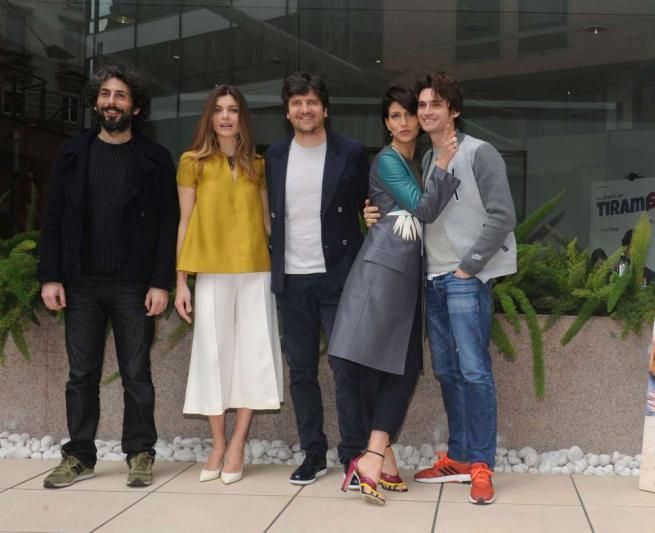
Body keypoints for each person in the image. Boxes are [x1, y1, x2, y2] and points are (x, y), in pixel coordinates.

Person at [365, 73, 517, 505]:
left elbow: (503, 215)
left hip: (463, 278)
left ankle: (482, 463)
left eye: (436, 104)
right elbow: (417, 210)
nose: (426, 112)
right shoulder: (429, 158)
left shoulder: (479, 152)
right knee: (448, 372)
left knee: (474, 371)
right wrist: (372, 214)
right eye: (422, 105)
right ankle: (461, 457)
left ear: (454, 110)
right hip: (432, 279)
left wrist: (470, 267)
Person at [38, 64, 179, 488]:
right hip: (80, 282)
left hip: (133, 284)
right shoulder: (71, 153)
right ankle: (79, 456)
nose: (111, 102)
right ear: (95, 102)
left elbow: (167, 225)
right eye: (104, 94)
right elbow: (53, 218)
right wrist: (51, 276)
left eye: (120, 95)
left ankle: (140, 453)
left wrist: (161, 282)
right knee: (81, 374)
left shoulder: (155, 159)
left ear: (135, 107)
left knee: (136, 373)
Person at [331, 86, 459, 505]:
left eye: (409, 114)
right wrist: (445, 162)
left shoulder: (412, 161)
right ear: (386, 124)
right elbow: (424, 208)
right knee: (397, 366)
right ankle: (372, 456)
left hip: (403, 276)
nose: (404, 122)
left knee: (396, 366)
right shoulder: (389, 160)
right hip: (384, 274)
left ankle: (382, 457)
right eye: (395, 116)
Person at [175, 85, 283, 485]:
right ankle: (218, 443)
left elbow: (268, 223)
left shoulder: (258, 165)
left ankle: (238, 442)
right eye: (218, 110)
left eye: (233, 110)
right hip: (212, 271)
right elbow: (185, 222)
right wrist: (181, 281)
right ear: (210, 117)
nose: (225, 116)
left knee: (254, 354)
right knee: (212, 355)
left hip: (256, 271)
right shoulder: (191, 163)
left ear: (242, 117)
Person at [266, 71, 368, 486]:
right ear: (287, 111)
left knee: (345, 368)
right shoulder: (275, 156)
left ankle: (353, 455)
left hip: (338, 276)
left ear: (325, 109)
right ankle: (313, 452)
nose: (304, 109)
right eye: (296, 103)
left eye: (311, 102)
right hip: (292, 280)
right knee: (301, 372)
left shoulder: (350, 152)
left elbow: (367, 206)